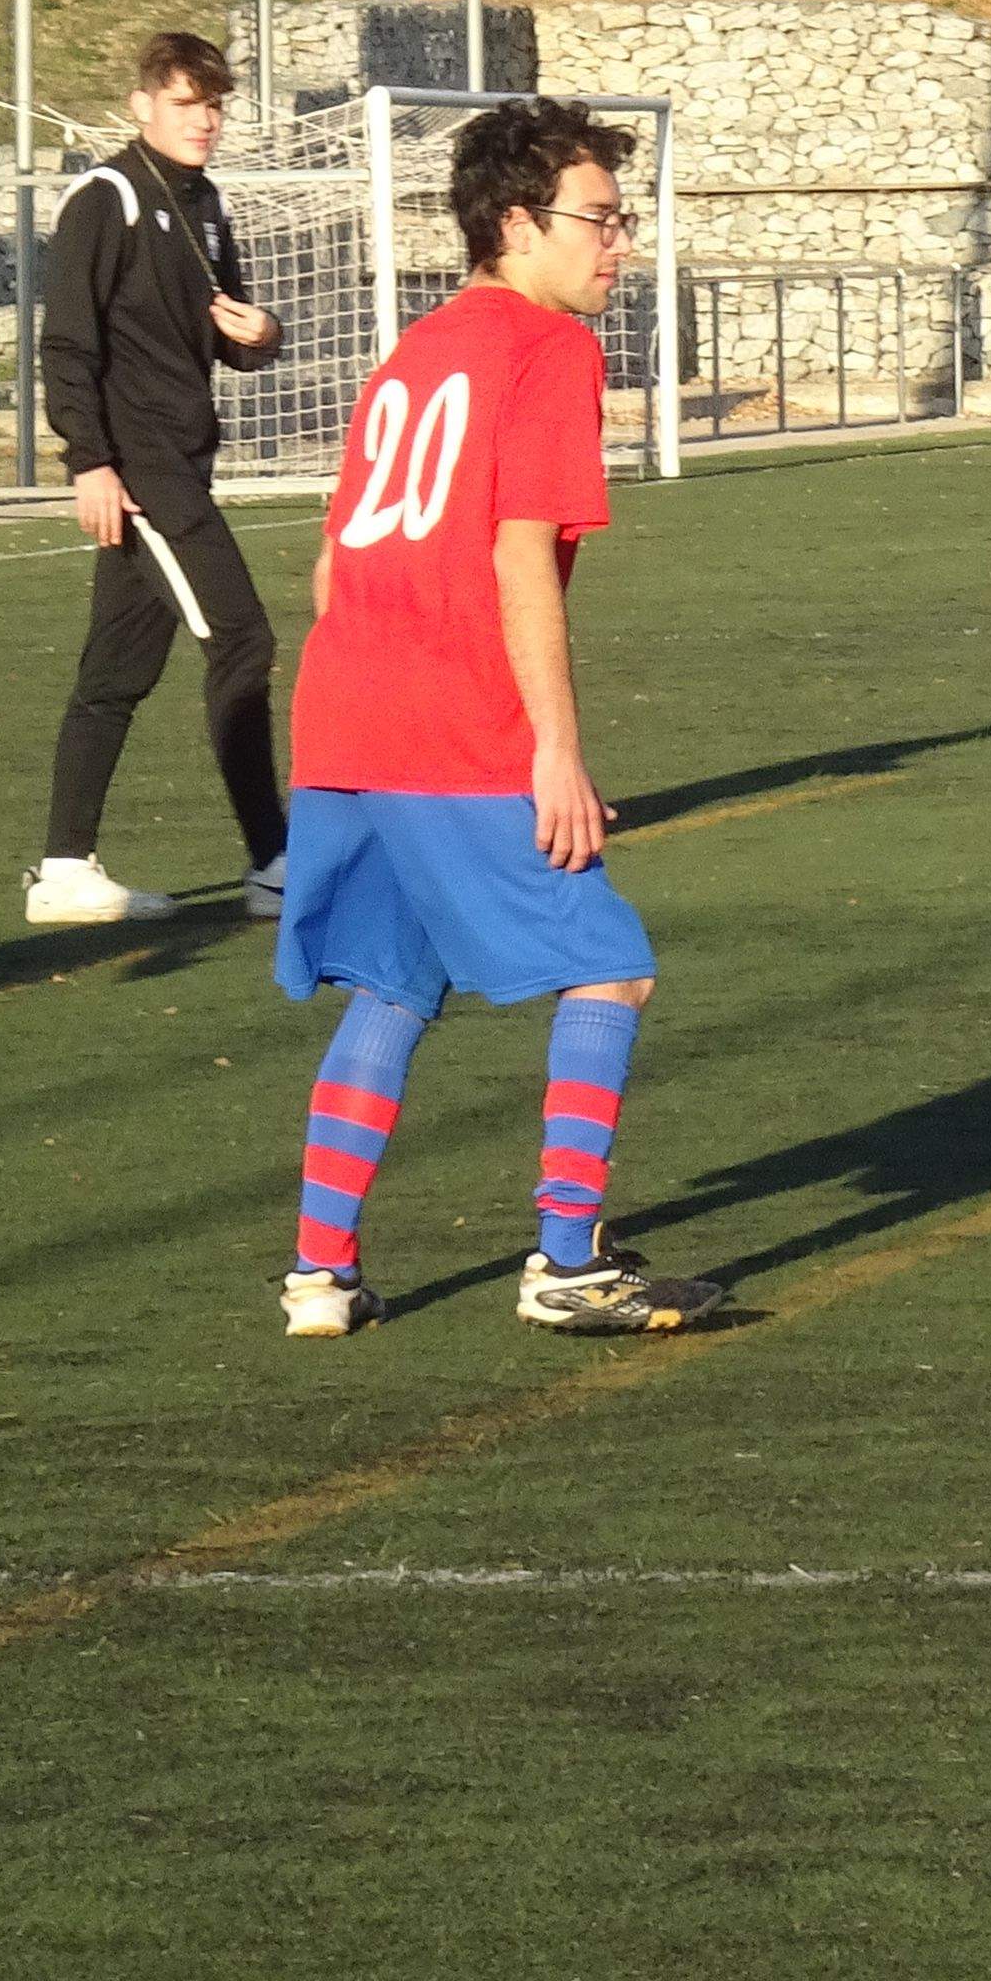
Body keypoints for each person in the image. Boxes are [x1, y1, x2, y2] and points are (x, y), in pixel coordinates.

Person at [268, 99, 717, 1339]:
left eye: (622, 219)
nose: (618, 242)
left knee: (396, 989)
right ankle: (568, 1261)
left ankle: (319, 1273)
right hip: (446, 724)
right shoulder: (546, 349)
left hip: (343, 714)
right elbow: (523, 558)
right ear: (517, 225)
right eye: (597, 218)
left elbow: (327, 567)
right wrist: (554, 752)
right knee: (611, 969)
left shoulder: (419, 348)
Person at [28, 30, 288, 927]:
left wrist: (259, 336)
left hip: (182, 461)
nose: (204, 121)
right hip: (141, 472)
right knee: (243, 640)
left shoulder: (204, 202)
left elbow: (218, 329)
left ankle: (64, 870)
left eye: (214, 104)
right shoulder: (106, 198)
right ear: (141, 105)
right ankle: (274, 862)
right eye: (186, 103)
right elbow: (66, 344)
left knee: (115, 672)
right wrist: (89, 463)